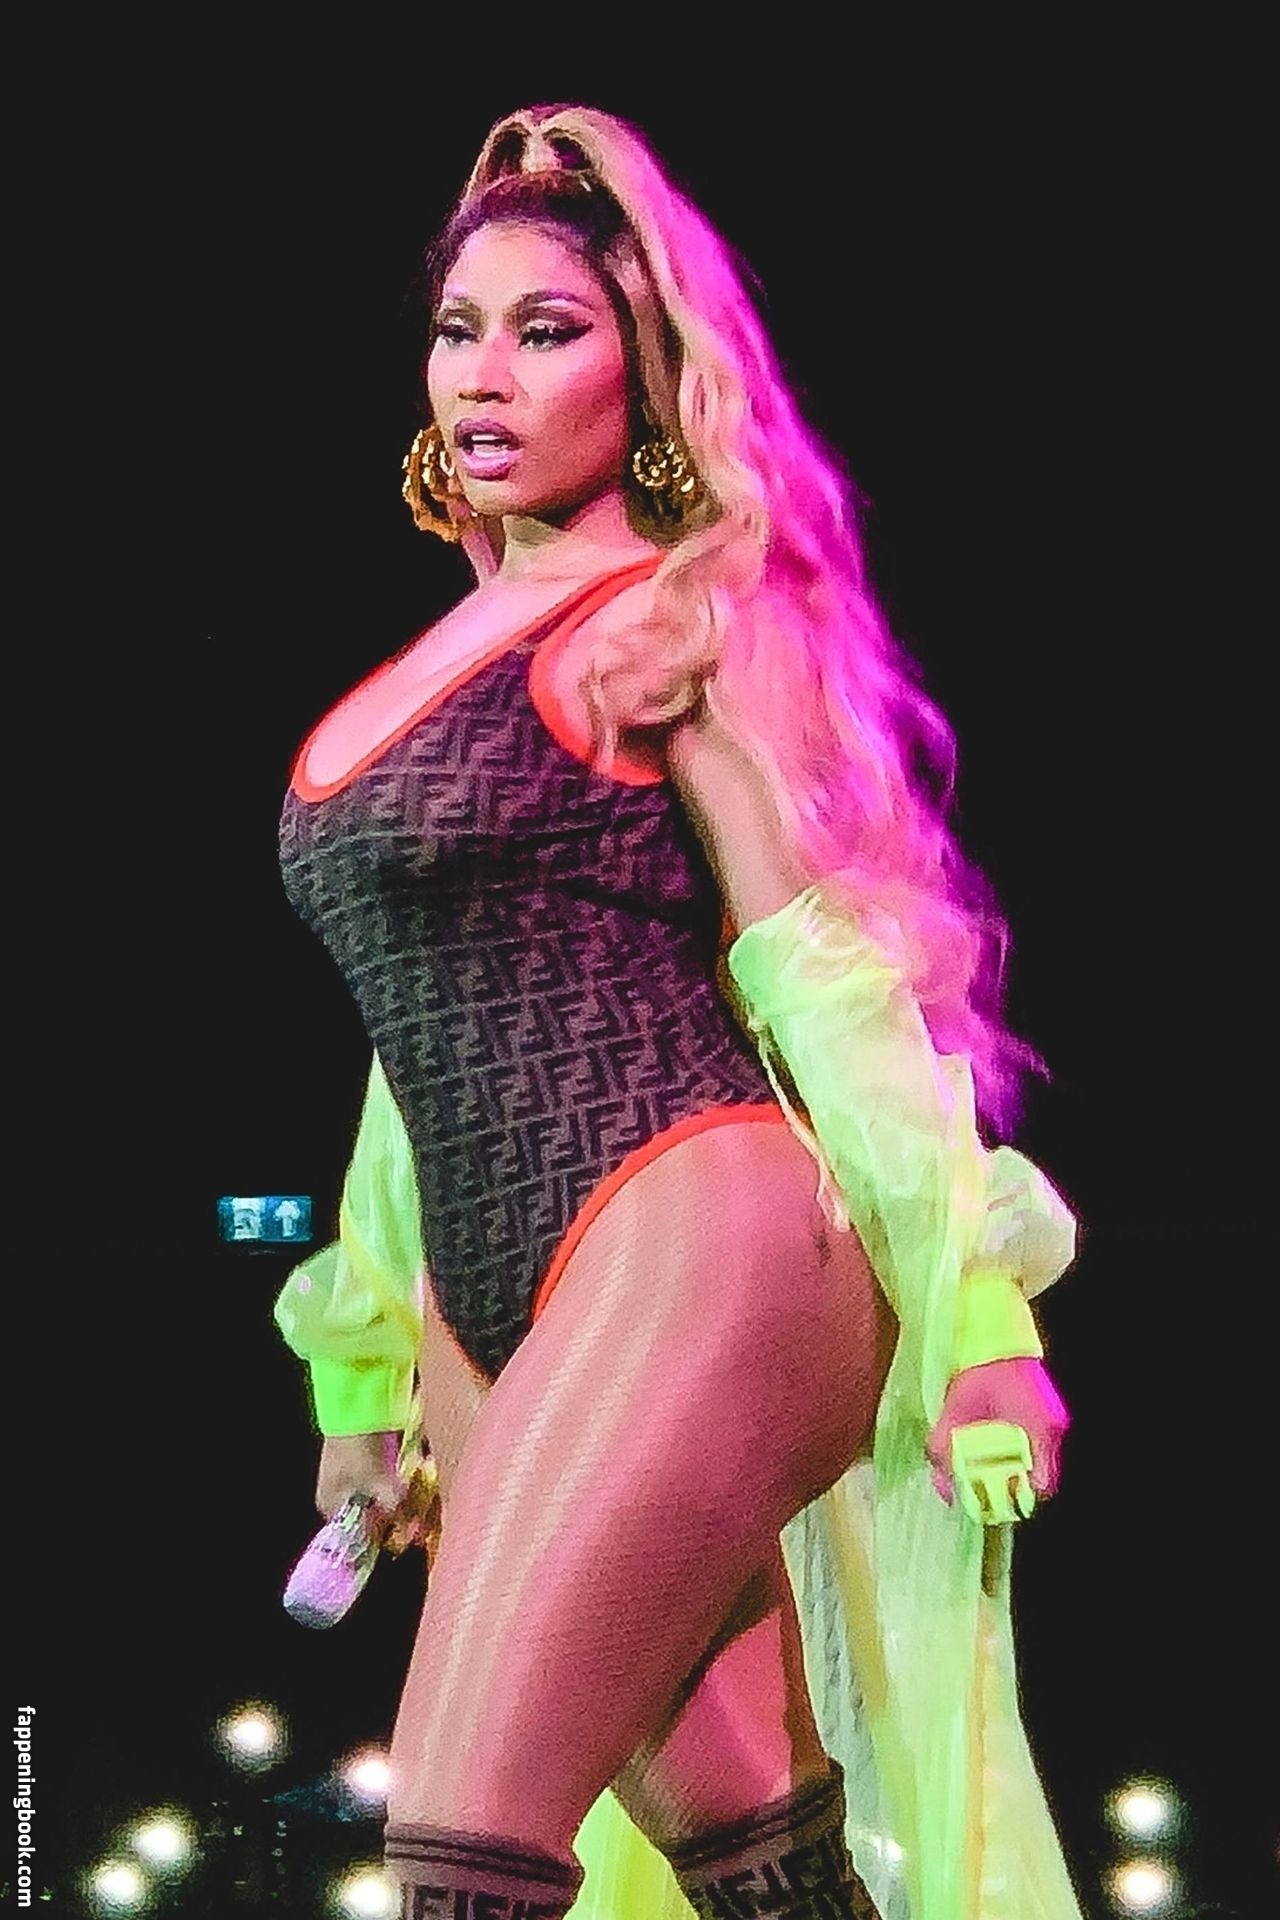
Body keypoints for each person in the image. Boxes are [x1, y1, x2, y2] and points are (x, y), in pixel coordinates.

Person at [273, 103, 1082, 1920]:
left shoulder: (682, 618)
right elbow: (412, 1048)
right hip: (491, 1289)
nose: (485, 371)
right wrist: (366, 1371)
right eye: (458, 327)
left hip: (698, 1239)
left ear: (645, 376)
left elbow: (833, 974)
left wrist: (975, 1311)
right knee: (760, 1861)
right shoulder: (437, 653)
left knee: (458, 1855)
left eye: (547, 329)